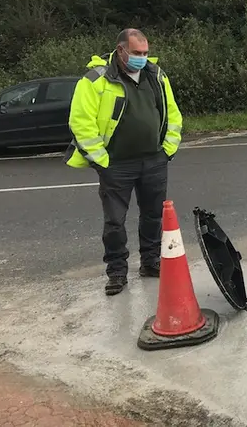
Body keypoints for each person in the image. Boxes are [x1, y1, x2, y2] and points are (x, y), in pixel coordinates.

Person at [65, 29, 183, 296]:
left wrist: (167, 150)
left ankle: (150, 262)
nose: (143, 58)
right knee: (115, 221)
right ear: (121, 50)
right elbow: (80, 122)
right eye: (137, 53)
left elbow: (173, 114)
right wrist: (102, 160)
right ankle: (117, 272)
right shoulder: (95, 79)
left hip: (154, 160)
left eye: (145, 53)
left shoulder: (156, 76)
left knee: (153, 215)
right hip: (116, 165)